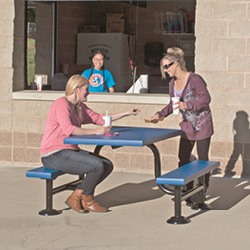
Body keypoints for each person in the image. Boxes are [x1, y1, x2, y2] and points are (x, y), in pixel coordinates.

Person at [40, 74, 139, 213]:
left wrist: (127, 113)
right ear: (76, 90)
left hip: (69, 150)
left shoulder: (80, 107)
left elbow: (100, 119)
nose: (89, 92)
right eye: (86, 89)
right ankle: (88, 200)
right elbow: (70, 130)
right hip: (53, 154)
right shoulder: (61, 104)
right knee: (96, 166)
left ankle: (76, 195)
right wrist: (97, 132)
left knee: (107, 165)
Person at [149, 47, 214, 205]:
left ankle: (201, 192)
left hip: (202, 124)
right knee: (183, 158)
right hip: (187, 126)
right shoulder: (172, 84)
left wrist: (188, 105)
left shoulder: (195, 79)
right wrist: (161, 114)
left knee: (202, 161)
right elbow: (173, 105)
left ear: (176, 64)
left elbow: (206, 99)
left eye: (167, 66)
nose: (165, 70)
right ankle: (187, 190)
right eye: (163, 67)